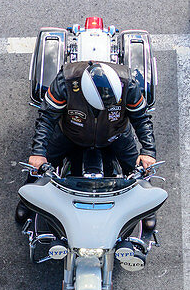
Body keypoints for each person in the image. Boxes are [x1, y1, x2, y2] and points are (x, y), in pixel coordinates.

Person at [17, 60, 157, 222]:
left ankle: (146, 209)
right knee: (37, 169)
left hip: (116, 134)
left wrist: (148, 151)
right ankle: (26, 201)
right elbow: (47, 118)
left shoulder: (129, 84)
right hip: (69, 134)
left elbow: (141, 118)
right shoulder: (66, 82)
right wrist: (38, 153)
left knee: (141, 171)